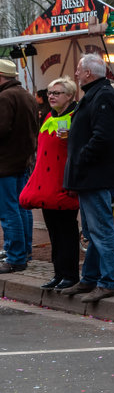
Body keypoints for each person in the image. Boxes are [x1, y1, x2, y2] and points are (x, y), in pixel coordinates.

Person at [60, 53, 114, 302]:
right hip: (89, 177)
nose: (75, 74)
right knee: (91, 230)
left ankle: (107, 281)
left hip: (95, 176)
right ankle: (90, 278)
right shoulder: (96, 94)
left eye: (78, 70)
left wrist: (80, 158)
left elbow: (103, 137)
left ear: (88, 73)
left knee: (101, 230)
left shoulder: (103, 95)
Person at [18, 77, 79, 289]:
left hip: (64, 185)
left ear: (70, 96)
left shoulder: (75, 116)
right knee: (53, 232)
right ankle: (58, 273)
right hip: (47, 187)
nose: (52, 96)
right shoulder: (49, 117)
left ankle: (70, 274)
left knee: (66, 232)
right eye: (51, 93)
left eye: (57, 93)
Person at [0, 59, 38, 275]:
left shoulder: (5, 97)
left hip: (5, 162)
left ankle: (15, 257)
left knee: (8, 211)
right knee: (21, 207)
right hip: (22, 160)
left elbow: (1, 129)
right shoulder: (26, 95)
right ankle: (24, 252)